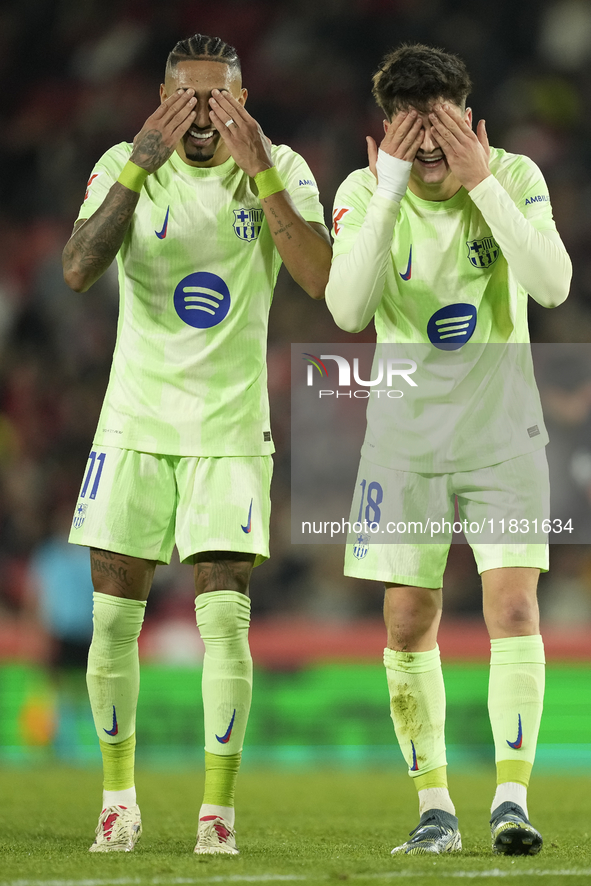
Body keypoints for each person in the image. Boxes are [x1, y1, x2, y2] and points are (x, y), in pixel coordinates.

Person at [62, 33, 331, 854]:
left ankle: (217, 813)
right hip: (136, 420)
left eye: (219, 98)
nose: (204, 115)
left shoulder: (280, 166)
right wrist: (140, 166)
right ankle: (119, 801)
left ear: (242, 102)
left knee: (223, 621)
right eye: (188, 98)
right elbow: (78, 267)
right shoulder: (125, 161)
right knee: (112, 624)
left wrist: (265, 178)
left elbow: (319, 278)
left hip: (228, 427)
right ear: (163, 98)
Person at [325, 43, 571, 856]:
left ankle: (510, 799)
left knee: (512, 609)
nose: (427, 143)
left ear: (468, 117)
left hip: (501, 436)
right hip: (403, 444)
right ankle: (433, 806)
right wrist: (391, 191)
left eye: (442, 124)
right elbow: (348, 309)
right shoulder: (364, 190)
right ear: (386, 127)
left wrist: (482, 183)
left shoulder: (514, 175)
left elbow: (552, 283)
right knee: (406, 621)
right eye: (409, 126)